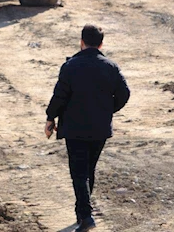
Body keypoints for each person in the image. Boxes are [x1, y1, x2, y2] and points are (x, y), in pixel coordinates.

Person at [45, 25, 130, 232]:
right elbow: (124, 94)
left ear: (81, 42)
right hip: (99, 129)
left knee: (79, 172)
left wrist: (50, 117)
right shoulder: (111, 67)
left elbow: (60, 96)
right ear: (101, 44)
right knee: (88, 170)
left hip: (74, 129)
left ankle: (85, 216)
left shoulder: (70, 66)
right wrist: (107, 111)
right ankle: (82, 213)